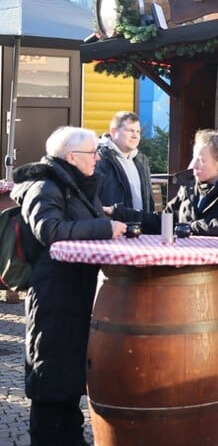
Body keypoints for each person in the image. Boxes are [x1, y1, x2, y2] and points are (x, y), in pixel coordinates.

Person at [11, 126, 127, 445]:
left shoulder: (75, 184)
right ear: (72, 157)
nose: (98, 158)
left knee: (70, 371)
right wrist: (104, 227)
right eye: (93, 152)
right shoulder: (45, 185)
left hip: (74, 290)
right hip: (54, 293)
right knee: (50, 372)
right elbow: (50, 231)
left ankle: (71, 436)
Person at [111, 130, 218, 241]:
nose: (193, 165)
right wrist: (118, 213)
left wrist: (189, 227)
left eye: (201, 160)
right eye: (194, 158)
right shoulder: (190, 187)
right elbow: (164, 221)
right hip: (187, 266)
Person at [95, 111, 154, 213]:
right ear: (114, 132)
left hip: (140, 222)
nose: (135, 136)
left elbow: (149, 200)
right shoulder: (99, 159)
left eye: (138, 131)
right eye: (130, 130)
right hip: (111, 222)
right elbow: (92, 200)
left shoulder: (141, 160)